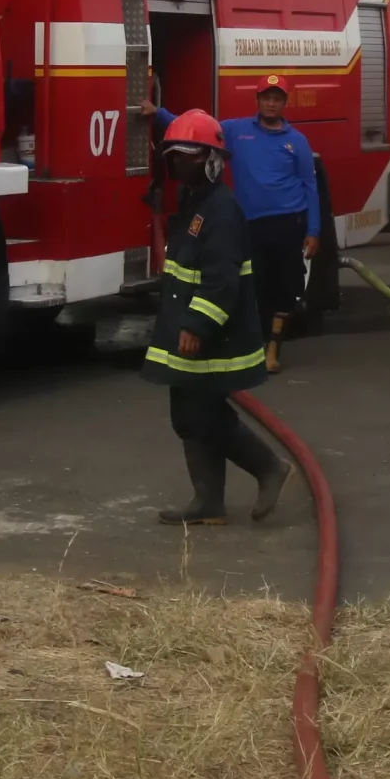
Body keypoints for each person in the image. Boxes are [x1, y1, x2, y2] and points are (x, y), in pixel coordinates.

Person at [140, 110, 289, 526]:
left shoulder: (221, 210)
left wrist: (197, 325)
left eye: (187, 155)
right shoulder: (194, 202)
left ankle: (269, 468)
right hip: (185, 330)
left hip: (211, 337)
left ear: (212, 159)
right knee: (188, 416)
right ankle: (208, 503)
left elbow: (222, 280)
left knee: (199, 415)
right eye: (173, 156)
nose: (178, 163)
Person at [145, 75, 319, 373]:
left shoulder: (297, 142)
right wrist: (158, 113)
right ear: (258, 100)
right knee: (255, 287)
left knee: (284, 289)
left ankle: (273, 350)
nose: (271, 102)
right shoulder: (236, 131)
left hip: (289, 223)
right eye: (266, 97)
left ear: (284, 103)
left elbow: (309, 186)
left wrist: (313, 231)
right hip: (249, 224)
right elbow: (197, 133)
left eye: (277, 98)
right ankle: (258, 343)